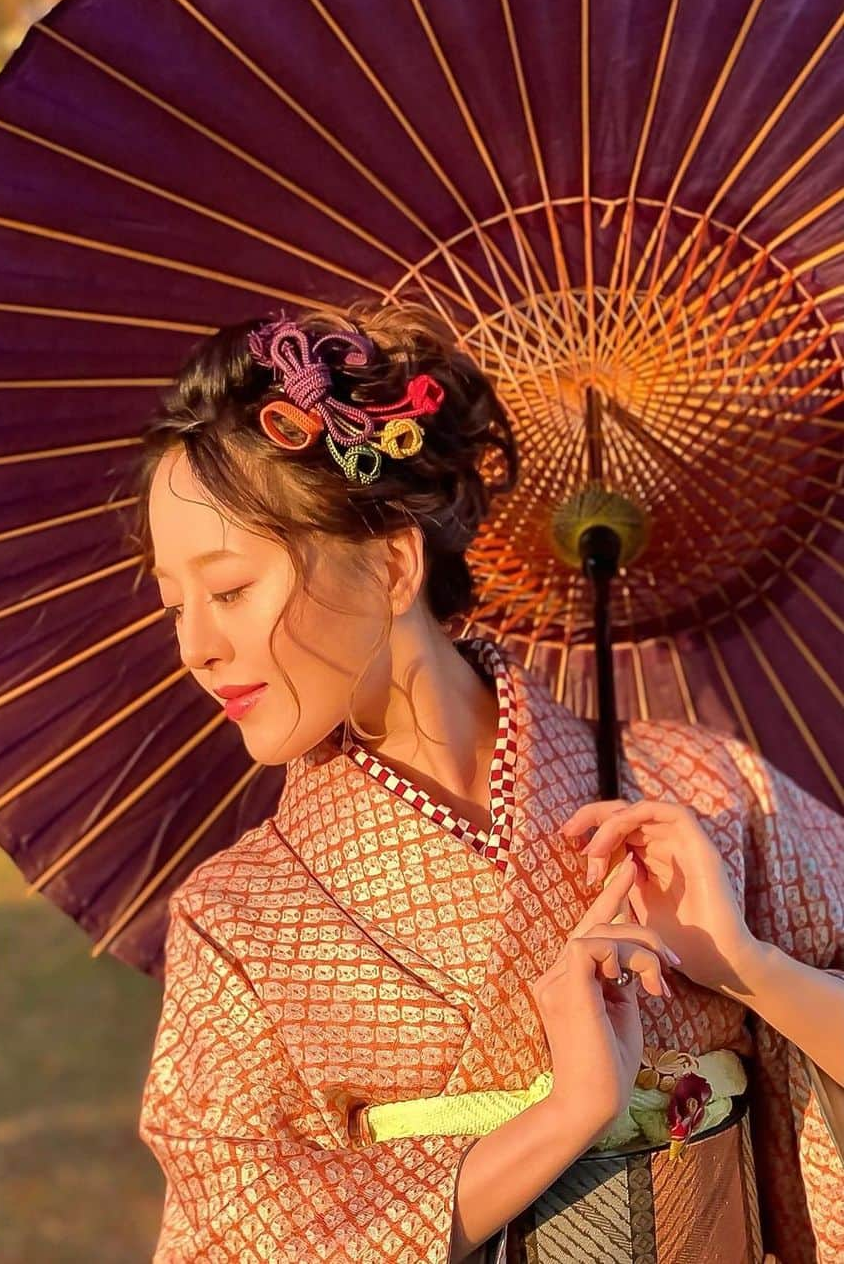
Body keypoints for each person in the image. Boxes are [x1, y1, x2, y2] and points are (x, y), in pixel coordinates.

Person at [130, 298, 844, 1262]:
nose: (198, 648)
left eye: (228, 590)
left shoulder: (703, 790)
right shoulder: (239, 919)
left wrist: (750, 967)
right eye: (177, 605)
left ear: (389, 565)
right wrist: (567, 1115)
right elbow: (232, 1237)